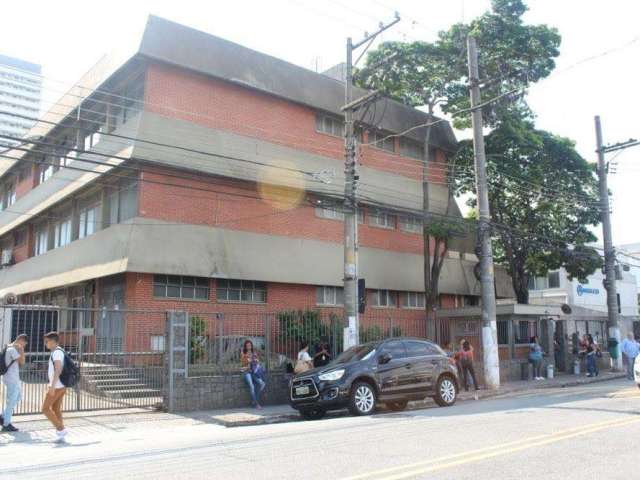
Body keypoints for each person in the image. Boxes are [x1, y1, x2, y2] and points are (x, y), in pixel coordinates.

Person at [42, 331, 68, 442]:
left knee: (45, 409)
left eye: (47, 341)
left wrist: (52, 387)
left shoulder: (57, 352)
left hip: (57, 386)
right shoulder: (59, 351)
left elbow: (58, 369)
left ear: (53, 341)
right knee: (56, 409)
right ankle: (61, 434)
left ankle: (61, 429)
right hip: (61, 385)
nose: (45, 343)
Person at [1, 334, 27, 432]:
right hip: (11, 379)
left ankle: (3, 416)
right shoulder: (12, 350)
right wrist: (21, 350)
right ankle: (6, 424)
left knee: (18, 397)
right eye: (24, 343)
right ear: (21, 340)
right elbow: (22, 362)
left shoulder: (10, 348)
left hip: (14, 378)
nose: (24, 345)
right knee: (11, 401)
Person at [240, 340, 266, 409]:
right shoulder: (243, 353)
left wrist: (256, 360)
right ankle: (256, 404)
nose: (249, 346)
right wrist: (248, 358)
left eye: (250, 345)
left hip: (253, 372)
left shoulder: (254, 353)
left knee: (262, 384)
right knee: (252, 386)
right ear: (245, 346)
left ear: (251, 346)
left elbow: (257, 362)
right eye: (247, 345)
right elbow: (243, 362)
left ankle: (254, 400)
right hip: (246, 372)